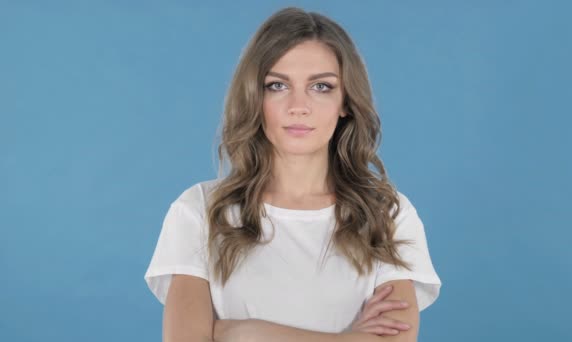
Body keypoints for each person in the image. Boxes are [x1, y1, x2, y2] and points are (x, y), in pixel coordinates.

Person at [144, 6, 441, 342]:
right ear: (254, 97)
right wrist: (348, 339)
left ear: (345, 101)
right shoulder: (199, 211)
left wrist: (244, 334)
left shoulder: (388, 214)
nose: (298, 106)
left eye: (322, 87)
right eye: (277, 85)